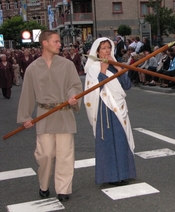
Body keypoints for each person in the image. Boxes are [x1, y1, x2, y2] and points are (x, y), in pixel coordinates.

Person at [17, 30, 83, 202]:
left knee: (65, 154)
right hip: (44, 115)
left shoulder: (67, 65)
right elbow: (27, 94)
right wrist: (25, 117)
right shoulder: (32, 68)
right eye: (56, 41)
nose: (59, 44)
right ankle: (44, 184)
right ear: (44, 43)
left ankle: (63, 189)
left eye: (59, 42)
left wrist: (73, 97)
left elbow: (74, 85)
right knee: (44, 154)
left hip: (64, 114)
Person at [84, 37, 136, 186]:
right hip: (105, 108)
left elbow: (127, 86)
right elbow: (93, 89)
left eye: (108, 47)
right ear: (97, 51)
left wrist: (119, 68)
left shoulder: (115, 65)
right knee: (108, 141)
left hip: (119, 108)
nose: (107, 51)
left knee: (121, 139)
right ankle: (111, 175)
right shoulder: (93, 68)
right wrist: (103, 70)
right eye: (103, 48)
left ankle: (124, 173)